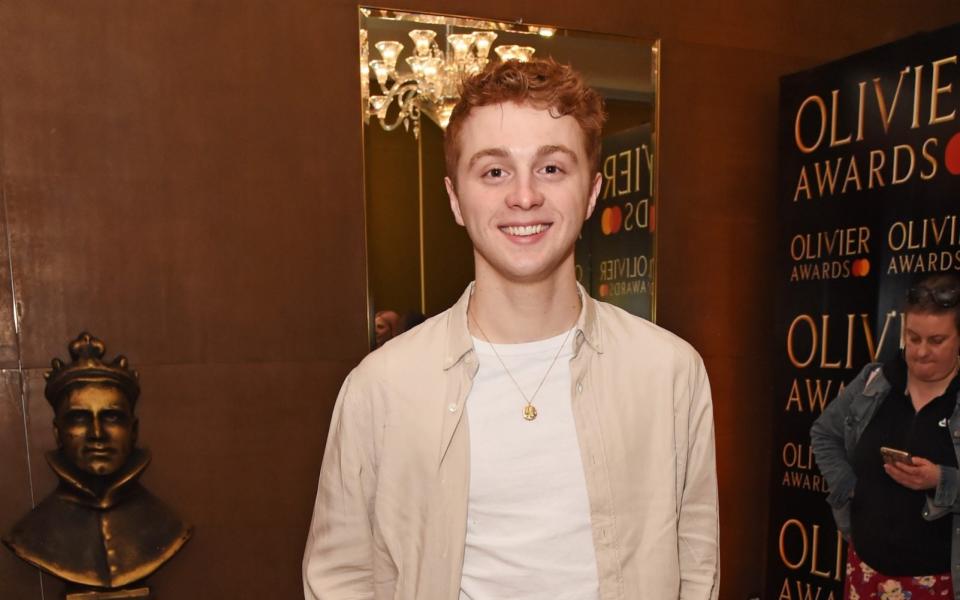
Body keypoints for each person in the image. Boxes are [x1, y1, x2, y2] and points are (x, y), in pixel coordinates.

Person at [303, 58, 719, 599]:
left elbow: (697, 568)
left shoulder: (670, 373)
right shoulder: (381, 387)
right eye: (494, 171)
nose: (524, 196)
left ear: (591, 193)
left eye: (551, 168)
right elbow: (339, 579)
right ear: (456, 199)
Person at [811, 273, 960, 599]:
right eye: (913, 337)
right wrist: (848, 487)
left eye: (936, 341)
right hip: (865, 572)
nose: (920, 352)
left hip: (939, 584)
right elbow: (824, 434)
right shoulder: (875, 382)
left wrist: (941, 479)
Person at [3, 332, 191, 590]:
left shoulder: (170, 528)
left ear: (133, 430)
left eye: (112, 417)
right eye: (79, 418)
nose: (97, 433)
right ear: (58, 433)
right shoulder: (30, 536)